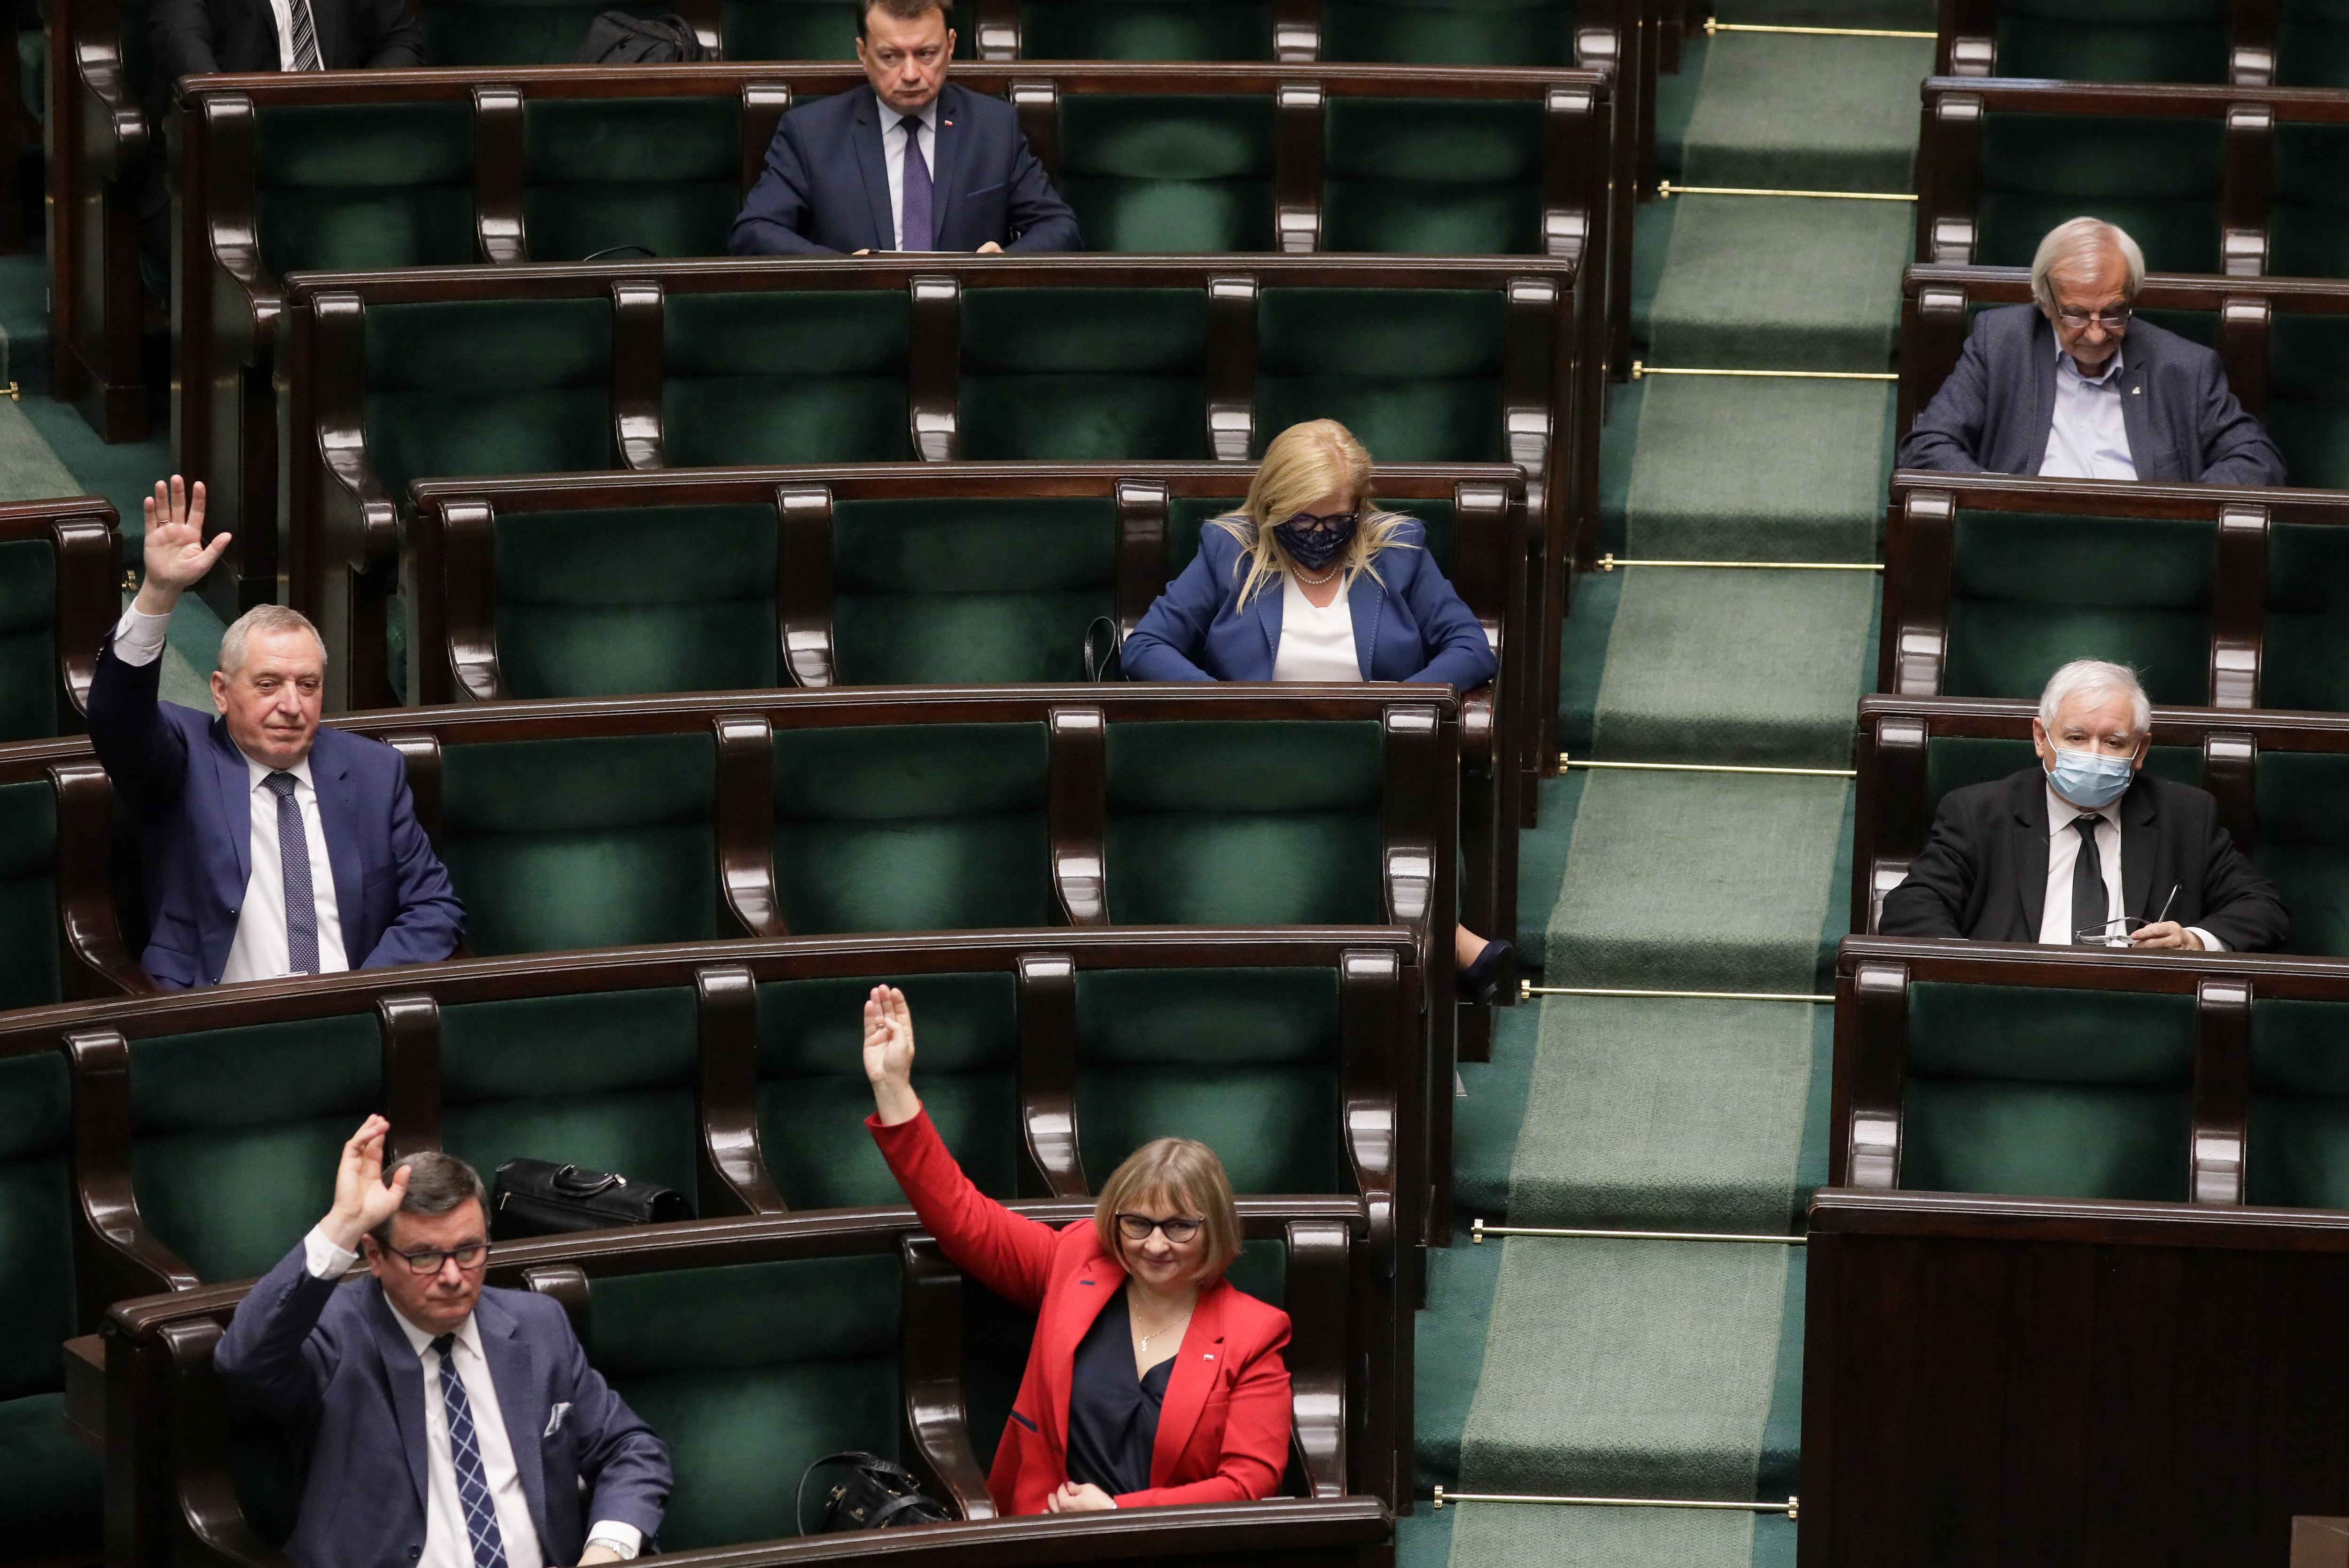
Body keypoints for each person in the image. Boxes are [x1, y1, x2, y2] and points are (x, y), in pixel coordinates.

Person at [860, 985, 1292, 1514]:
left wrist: (1119, 1515)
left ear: (1214, 1228)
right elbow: (962, 1217)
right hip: (1046, 1538)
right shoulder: (1074, 1260)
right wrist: (893, 1086)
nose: (1154, 1244)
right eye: (1137, 1223)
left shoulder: (1254, 1333)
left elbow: (1249, 1482)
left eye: (1179, 1226)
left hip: (1170, 1551)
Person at [1120, 418, 1513, 1000]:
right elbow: (1144, 648)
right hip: (1252, 747)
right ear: (1274, 505)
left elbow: (1469, 647)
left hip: (1372, 743)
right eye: (1304, 519)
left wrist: (1399, 705)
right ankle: (1450, 943)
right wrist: (1231, 708)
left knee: (1363, 789)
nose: (1323, 531)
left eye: (1338, 518)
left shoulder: (1397, 549)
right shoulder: (1230, 550)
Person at [214, 1118, 671, 1568]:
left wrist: (607, 1549)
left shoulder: (537, 1325)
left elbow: (629, 1448)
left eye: (469, 1250)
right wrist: (344, 1222)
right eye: (426, 1256)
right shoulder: (337, 1332)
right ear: (374, 1254)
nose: (453, 1276)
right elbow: (245, 1359)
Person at [89, 477, 464, 987]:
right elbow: (116, 714)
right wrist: (159, 592)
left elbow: (434, 906)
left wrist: (356, 997)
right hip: (221, 1027)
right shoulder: (185, 760)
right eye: (268, 684)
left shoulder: (375, 772)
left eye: (307, 685)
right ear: (221, 691)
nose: (291, 705)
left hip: (352, 1021)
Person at [1879, 659, 2287, 951]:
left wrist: (2193, 941)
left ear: (2140, 750)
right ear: (2041, 738)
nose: (2093, 755)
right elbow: (1910, 908)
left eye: (2113, 742)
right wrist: (1973, 974)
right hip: (2010, 1006)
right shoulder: (1979, 813)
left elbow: (2263, 909)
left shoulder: (2187, 816)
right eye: (2075, 738)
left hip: (2142, 1013)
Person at [1897, 217, 2285, 486]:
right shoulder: (2001, 342)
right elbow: (1928, 446)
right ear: (2046, 303)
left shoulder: (2185, 366)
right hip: (2024, 541)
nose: (2097, 335)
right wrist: (1991, 495)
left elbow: (2258, 461)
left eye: (2114, 313)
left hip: (2145, 549)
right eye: (2077, 315)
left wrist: (2186, 509)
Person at [729, 0, 1081, 256]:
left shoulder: (994, 127)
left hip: (965, 329)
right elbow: (753, 232)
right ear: (863, 54)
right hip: (853, 323)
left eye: (926, 54)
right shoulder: (811, 133)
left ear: (952, 46)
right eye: (891, 57)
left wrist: (1001, 264)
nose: (911, 74)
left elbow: (1060, 228)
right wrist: (840, 271)